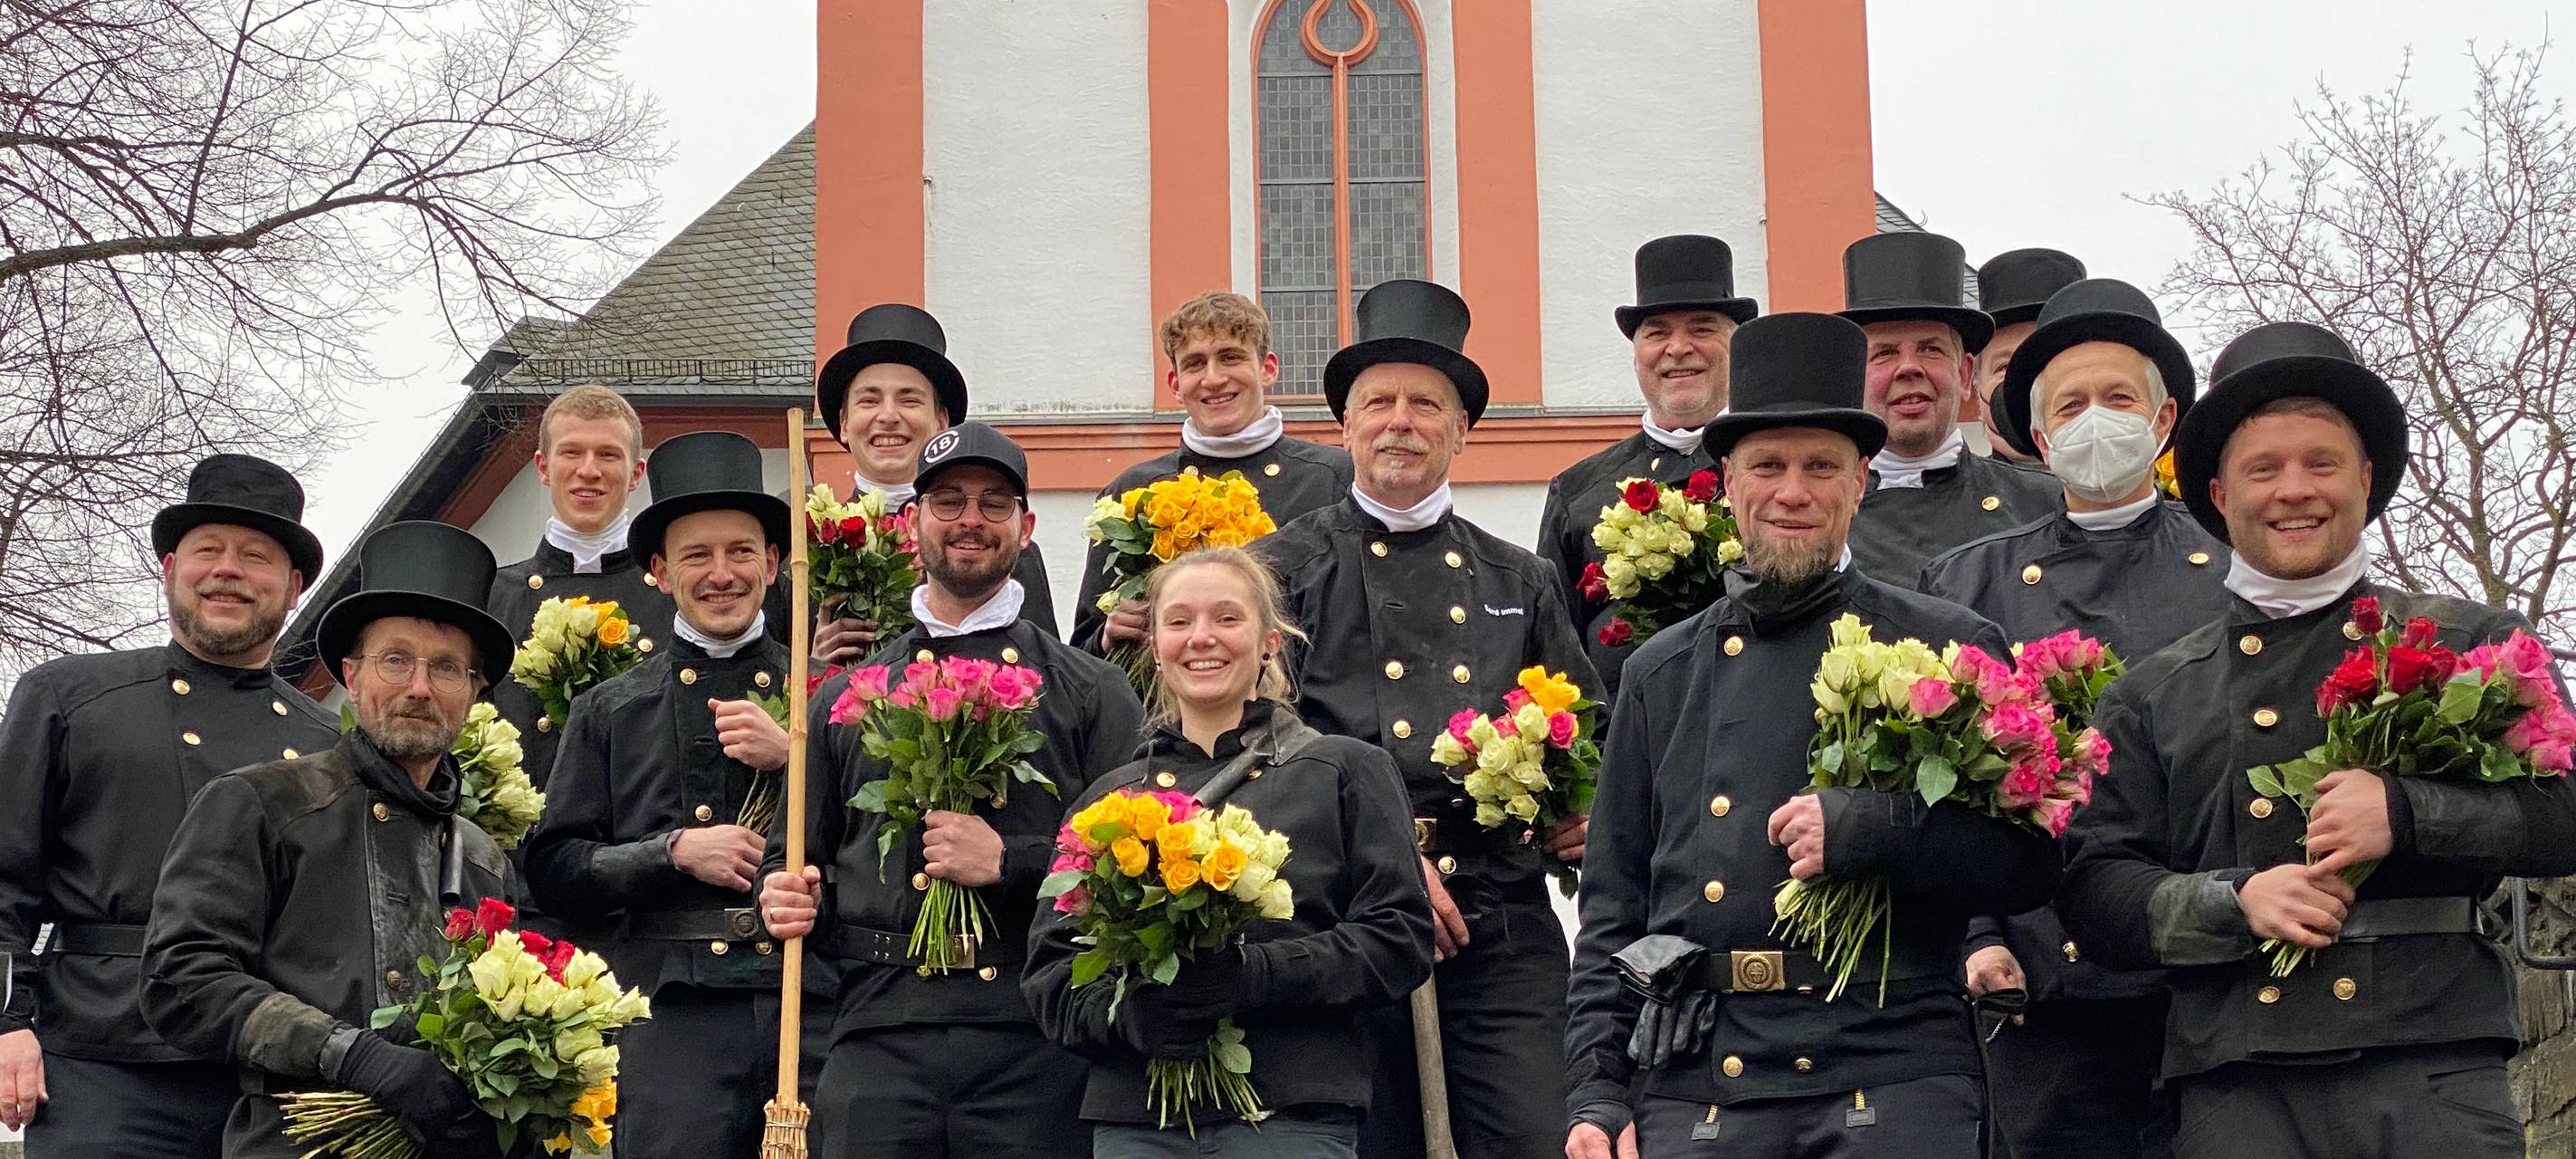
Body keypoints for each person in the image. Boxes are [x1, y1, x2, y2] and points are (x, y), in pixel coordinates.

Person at [2057, 321, 2576, 1159]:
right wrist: (2232, 902)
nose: (2293, 490)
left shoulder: (2469, 641)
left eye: (2321, 464)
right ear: (2220, 497)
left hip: (2431, 1062)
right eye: (2263, 468)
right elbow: (2094, 890)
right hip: (2236, 1078)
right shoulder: (2153, 690)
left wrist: (2407, 811)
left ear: (2365, 483)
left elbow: (2565, 814)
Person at [1566, 312, 2059, 1159]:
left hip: (1897, 1067)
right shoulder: (1660, 671)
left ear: (1861, 483)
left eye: (1821, 467)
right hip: (1704, 1077)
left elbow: (2028, 865)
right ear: (1727, 483)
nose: (1793, 492)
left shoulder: (1949, 644)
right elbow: (1614, 908)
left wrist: (1875, 827)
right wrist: (1596, 1093)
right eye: (1768, 466)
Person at [1257, 279, 1598, 1159]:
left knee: (1538, 1136)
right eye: (1378, 401)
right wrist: (1382, 855)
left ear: (1461, 430)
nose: (1398, 421)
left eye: (1424, 404)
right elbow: (1248, 754)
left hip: (1497, 917)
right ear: (1343, 425)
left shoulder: (1516, 576)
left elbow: (1582, 723)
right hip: (1338, 918)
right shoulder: (1276, 572)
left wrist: (1580, 806)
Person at [759, 421, 1145, 1157]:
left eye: (994, 503)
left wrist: (1013, 861)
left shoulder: (1091, 690)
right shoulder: (846, 696)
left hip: (1036, 1033)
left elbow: (1128, 866)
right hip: (876, 1034)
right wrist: (782, 897)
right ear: (912, 523)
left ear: (1025, 528)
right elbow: (793, 860)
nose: (970, 520)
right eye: (948, 501)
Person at [1920, 279, 2226, 1159]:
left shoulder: (2235, 570)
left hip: (2208, 967)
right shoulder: (1967, 583)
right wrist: (1976, 934)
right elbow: (1941, 781)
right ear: (2042, 436)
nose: (2096, 421)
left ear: (2163, 419)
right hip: (2036, 978)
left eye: (2117, 398)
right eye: (2071, 405)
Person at [1026, 547, 1435, 1157]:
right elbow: (1052, 974)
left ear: (1269, 642)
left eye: (1227, 618)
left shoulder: (1342, 770)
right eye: (1180, 621)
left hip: (1289, 1115)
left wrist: (1256, 975)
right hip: (1140, 1124)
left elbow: (1399, 940)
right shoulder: (1110, 802)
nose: (1202, 639)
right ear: (1156, 646)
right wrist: (1128, 1017)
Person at [0, 454, 341, 1156]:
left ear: (294, 586)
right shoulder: (67, 699)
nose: (228, 570)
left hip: (269, 1073)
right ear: (168, 567)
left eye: (256, 556)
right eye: (207, 550)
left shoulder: (327, 744)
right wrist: (6, 1023)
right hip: (100, 1057)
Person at [141, 521, 517, 1158]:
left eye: (447, 668)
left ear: (474, 693)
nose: (419, 687)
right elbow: (182, 979)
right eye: (395, 659)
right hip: (294, 1141)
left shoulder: (484, 856)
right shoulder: (263, 802)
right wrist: (350, 1054)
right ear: (352, 673)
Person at [521, 431, 828, 1157]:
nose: (721, 574)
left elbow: (878, 849)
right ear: (659, 571)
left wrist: (799, 764)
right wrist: (670, 852)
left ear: (774, 563)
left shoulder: (825, 700)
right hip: (670, 1018)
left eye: (740, 552)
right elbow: (555, 869)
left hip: (805, 1003)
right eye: (696, 555)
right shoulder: (610, 708)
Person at [1535, 235, 1758, 704]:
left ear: (1736, 345)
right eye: (1657, 333)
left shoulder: (1775, 474)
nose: (1678, 348)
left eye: (1702, 328)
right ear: (1636, 353)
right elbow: (1556, 649)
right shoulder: (1577, 492)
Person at [1072, 292, 1352, 658]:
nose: (1213, 378)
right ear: (1175, 384)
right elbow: (1081, 657)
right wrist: (1109, 635)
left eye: (1230, 357)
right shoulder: (1131, 493)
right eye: (1195, 364)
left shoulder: (1333, 477)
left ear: (1267, 368)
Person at [812, 304, 1060, 666]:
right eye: (869, 400)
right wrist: (814, 664)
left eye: (909, 399)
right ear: (845, 423)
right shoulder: (805, 550)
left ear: (942, 421)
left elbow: (1049, 670)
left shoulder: (1003, 543)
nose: (888, 416)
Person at [1837, 232, 2062, 582]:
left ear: (1965, 373)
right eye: (1885, 352)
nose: (1909, 367)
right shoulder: (1820, 515)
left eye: (1931, 349)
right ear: (1852, 377)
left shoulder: (2046, 501)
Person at [485, 383, 675, 785]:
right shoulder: (493, 597)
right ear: (543, 467)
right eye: (572, 452)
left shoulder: (675, 593)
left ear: (636, 473)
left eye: (608, 455)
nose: (589, 470)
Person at [1970, 249, 2087, 465]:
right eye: (2005, 367)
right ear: (1977, 389)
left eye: (2048, 360)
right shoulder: (1956, 497)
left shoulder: (2151, 494)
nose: (2028, 381)